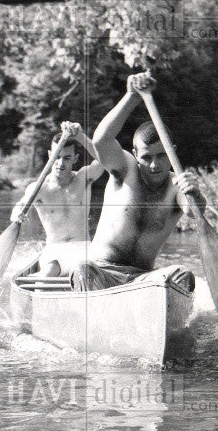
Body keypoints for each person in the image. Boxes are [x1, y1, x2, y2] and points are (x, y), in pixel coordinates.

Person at [71, 72, 204, 292]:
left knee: (183, 276)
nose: (154, 165)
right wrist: (132, 96)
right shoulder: (125, 169)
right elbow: (101, 140)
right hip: (101, 271)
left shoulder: (176, 185)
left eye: (161, 156)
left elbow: (193, 211)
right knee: (83, 268)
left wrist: (195, 193)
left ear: (172, 152)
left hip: (142, 280)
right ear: (135, 154)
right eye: (146, 157)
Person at [11, 121, 105, 276]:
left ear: (75, 159)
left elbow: (104, 160)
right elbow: (20, 205)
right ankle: (40, 284)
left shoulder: (84, 177)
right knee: (50, 271)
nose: (61, 163)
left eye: (67, 158)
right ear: (50, 156)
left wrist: (81, 136)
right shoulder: (39, 188)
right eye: (57, 157)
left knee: (86, 272)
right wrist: (17, 214)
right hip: (55, 251)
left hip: (85, 249)